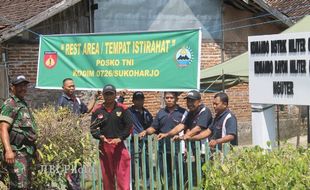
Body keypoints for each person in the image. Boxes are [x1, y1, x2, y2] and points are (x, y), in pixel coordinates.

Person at [56, 78, 98, 190]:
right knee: (69, 166)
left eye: (73, 86)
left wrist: (95, 97)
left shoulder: (77, 100)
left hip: (77, 138)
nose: (72, 88)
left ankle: (76, 186)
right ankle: (72, 186)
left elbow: (87, 110)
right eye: (69, 86)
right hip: (68, 139)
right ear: (63, 88)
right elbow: (58, 119)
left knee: (78, 164)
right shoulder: (62, 100)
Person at [139, 92, 188, 186]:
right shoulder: (161, 112)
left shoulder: (183, 112)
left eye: (171, 97)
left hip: (178, 148)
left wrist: (185, 147)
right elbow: (154, 127)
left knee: (179, 172)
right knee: (165, 172)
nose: (169, 99)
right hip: (163, 148)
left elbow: (186, 129)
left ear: (176, 99)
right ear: (164, 99)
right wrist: (146, 131)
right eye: (167, 98)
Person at [90, 84, 133, 190]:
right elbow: (93, 128)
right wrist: (100, 136)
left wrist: (120, 138)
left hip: (119, 144)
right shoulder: (97, 110)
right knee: (107, 175)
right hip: (104, 145)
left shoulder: (122, 108)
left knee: (122, 174)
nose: (108, 96)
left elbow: (129, 126)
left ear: (115, 95)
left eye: (111, 94)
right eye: (106, 94)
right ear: (103, 95)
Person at [0, 75, 37, 189]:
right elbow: (3, 128)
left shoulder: (23, 103)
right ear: (12, 88)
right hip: (17, 152)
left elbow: (28, 131)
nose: (23, 88)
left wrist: (35, 150)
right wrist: (8, 151)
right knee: (19, 186)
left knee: (26, 185)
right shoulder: (10, 104)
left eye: (24, 86)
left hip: (27, 151)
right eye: (19, 86)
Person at [128, 91, 153, 186]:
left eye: (141, 99)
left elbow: (152, 125)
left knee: (146, 164)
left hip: (144, 142)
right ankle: (133, 184)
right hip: (132, 142)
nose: (139, 101)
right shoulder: (129, 112)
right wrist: (122, 97)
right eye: (137, 99)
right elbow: (118, 107)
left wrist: (147, 132)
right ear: (133, 101)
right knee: (133, 165)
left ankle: (148, 185)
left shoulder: (146, 112)